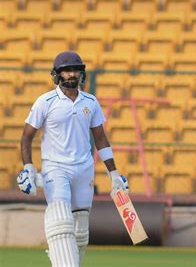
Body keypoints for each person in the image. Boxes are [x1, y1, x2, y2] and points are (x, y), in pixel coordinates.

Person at [17, 51, 128, 267]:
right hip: (55, 168)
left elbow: (101, 139)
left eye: (75, 70)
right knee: (61, 220)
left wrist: (114, 174)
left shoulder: (91, 102)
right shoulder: (45, 102)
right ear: (57, 74)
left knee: (79, 232)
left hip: (84, 169)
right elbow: (26, 137)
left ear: (81, 73)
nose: (71, 74)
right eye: (66, 70)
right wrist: (29, 168)